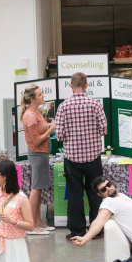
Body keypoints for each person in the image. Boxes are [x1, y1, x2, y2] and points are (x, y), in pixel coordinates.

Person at [54, 72, 107, 241]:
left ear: (70, 85)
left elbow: (59, 135)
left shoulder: (63, 106)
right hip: (93, 156)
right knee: (96, 193)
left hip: (72, 158)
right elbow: (104, 129)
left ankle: (77, 231)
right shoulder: (95, 104)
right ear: (87, 85)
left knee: (75, 195)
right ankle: (97, 230)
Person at [70, 177, 132, 246]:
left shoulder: (121, 196)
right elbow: (99, 221)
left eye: (108, 185)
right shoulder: (109, 202)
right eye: (103, 189)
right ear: (100, 195)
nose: (108, 188)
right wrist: (86, 238)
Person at [20, 83, 56, 235]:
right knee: (35, 189)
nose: (43, 96)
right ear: (33, 99)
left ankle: (39, 221)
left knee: (39, 188)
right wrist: (51, 129)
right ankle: (32, 226)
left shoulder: (36, 112)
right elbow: (36, 140)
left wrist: (48, 124)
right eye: (40, 95)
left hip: (42, 154)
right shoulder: (30, 116)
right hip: (37, 154)